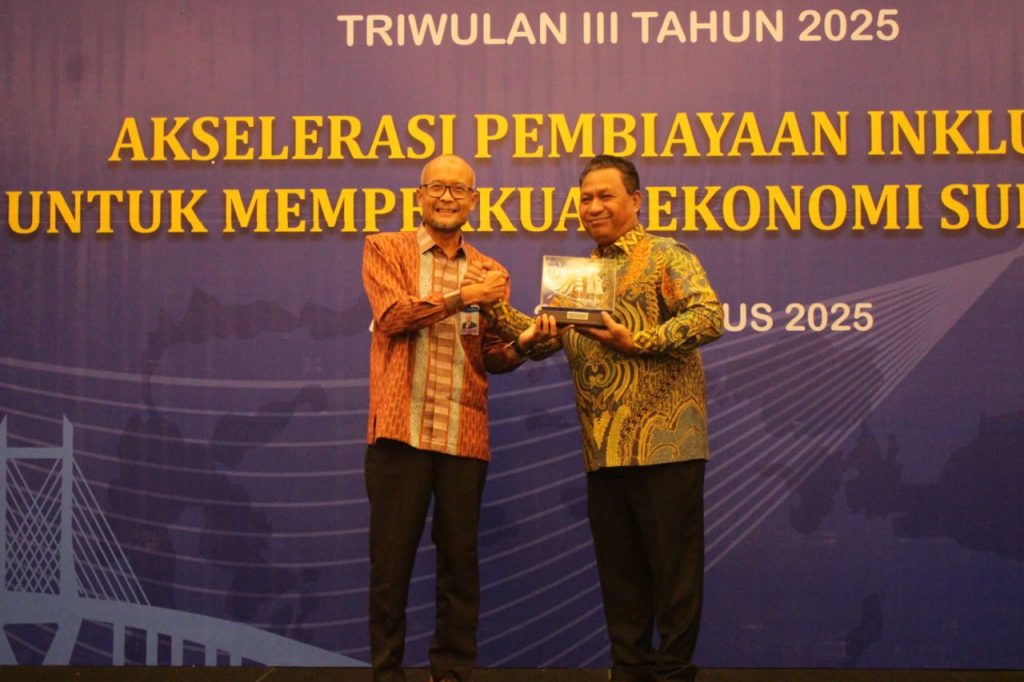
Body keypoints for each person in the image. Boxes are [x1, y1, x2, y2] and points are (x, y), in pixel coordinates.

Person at [490, 155, 724, 681]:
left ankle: (673, 675)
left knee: (675, 577)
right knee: (621, 580)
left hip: (667, 445)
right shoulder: (581, 276)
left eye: (605, 196)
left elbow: (709, 316)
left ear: (634, 201)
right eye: (585, 198)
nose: (593, 207)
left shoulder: (664, 254)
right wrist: (493, 305)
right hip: (604, 451)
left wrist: (637, 339)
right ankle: (630, 673)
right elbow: (541, 340)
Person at [360, 154, 534, 682]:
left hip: (464, 436)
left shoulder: (491, 272)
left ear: (473, 201)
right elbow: (393, 317)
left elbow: (492, 355)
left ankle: (452, 672)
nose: (447, 198)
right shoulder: (384, 248)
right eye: (437, 187)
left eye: (459, 190)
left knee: (460, 566)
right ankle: (387, 672)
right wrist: (463, 297)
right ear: (420, 196)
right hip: (400, 432)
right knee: (391, 567)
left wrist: (528, 343)